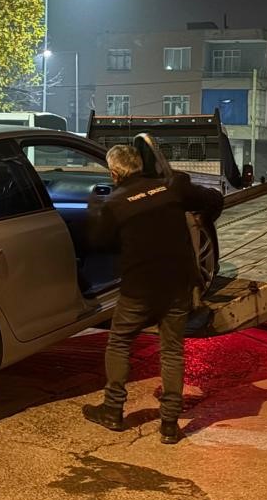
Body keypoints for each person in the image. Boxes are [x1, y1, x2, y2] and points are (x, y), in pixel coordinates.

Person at [83, 144, 224, 444]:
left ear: (114, 173)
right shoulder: (169, 188)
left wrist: (94, 208)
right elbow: (212, 200)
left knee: (120, 341)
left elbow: (98, 243)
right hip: (177, 286)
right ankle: (170, 425)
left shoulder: (116, 204)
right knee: (172, 349)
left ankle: (112, 410)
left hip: (140, 290)